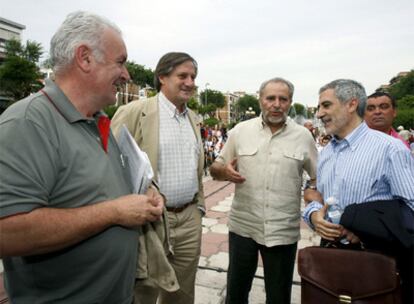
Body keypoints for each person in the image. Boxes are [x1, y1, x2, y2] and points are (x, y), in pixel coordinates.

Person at [0, 11, 164, 304]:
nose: (127, 74)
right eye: (121, 61)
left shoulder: (96, 120)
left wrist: (142, 193)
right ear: (85, 58)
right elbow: (7, 232)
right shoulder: (27, 123)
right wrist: (113, 212)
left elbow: (97, 186)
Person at [303, 79, 414, 304]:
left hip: (375, 260)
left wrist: (365, 228)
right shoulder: (326, 153)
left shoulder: (389, 149)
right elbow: (318, 195)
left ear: (351, 104)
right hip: (331, 255)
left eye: (326, 105)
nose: (319, 113)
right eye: (319, 107)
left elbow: (409, 210)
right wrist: (315, 215)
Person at [210, 77, 318, 303]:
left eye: (283, 99)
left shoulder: (303, 136)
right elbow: (216, 168)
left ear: (290, 102)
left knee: (278, 296)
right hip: (243, 227)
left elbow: (318, 178)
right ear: (260, 100)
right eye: (270, 98)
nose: (276, 104)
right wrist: (224, 172)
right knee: (236, 293)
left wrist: (312, 194)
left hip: (282, 230)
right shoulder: (240, 131)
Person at [111, 52, 204, 304]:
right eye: (182, 76)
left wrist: (199, 208)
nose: (190, 82)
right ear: (162, 77)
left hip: (189, 219)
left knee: (183, 293)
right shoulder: (134, 112)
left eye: (193, 77)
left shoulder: (193, 119)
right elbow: (110, 162)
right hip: (150, 222)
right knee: (144, 291)